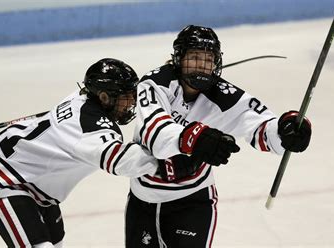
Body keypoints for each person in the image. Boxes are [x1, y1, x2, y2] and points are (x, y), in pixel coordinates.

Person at [0, 58, 193, 248]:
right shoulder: (88, 127)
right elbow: (121, 161)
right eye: (126, 96)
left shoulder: (84, 97)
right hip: (5, 178)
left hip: (36, 181)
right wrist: (163, 163)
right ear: (105, 97)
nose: (132, 102)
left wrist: (166, 75)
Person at [125, 25, 312, 247]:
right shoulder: (156, 83)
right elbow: (155, 134)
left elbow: (262, 127)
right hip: (142, 201)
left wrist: (286, 131)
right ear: (178, 58)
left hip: (192, 203)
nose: (202, 66)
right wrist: (195, 137)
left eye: (208, 59)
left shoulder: (225, 96)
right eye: (194, 57)